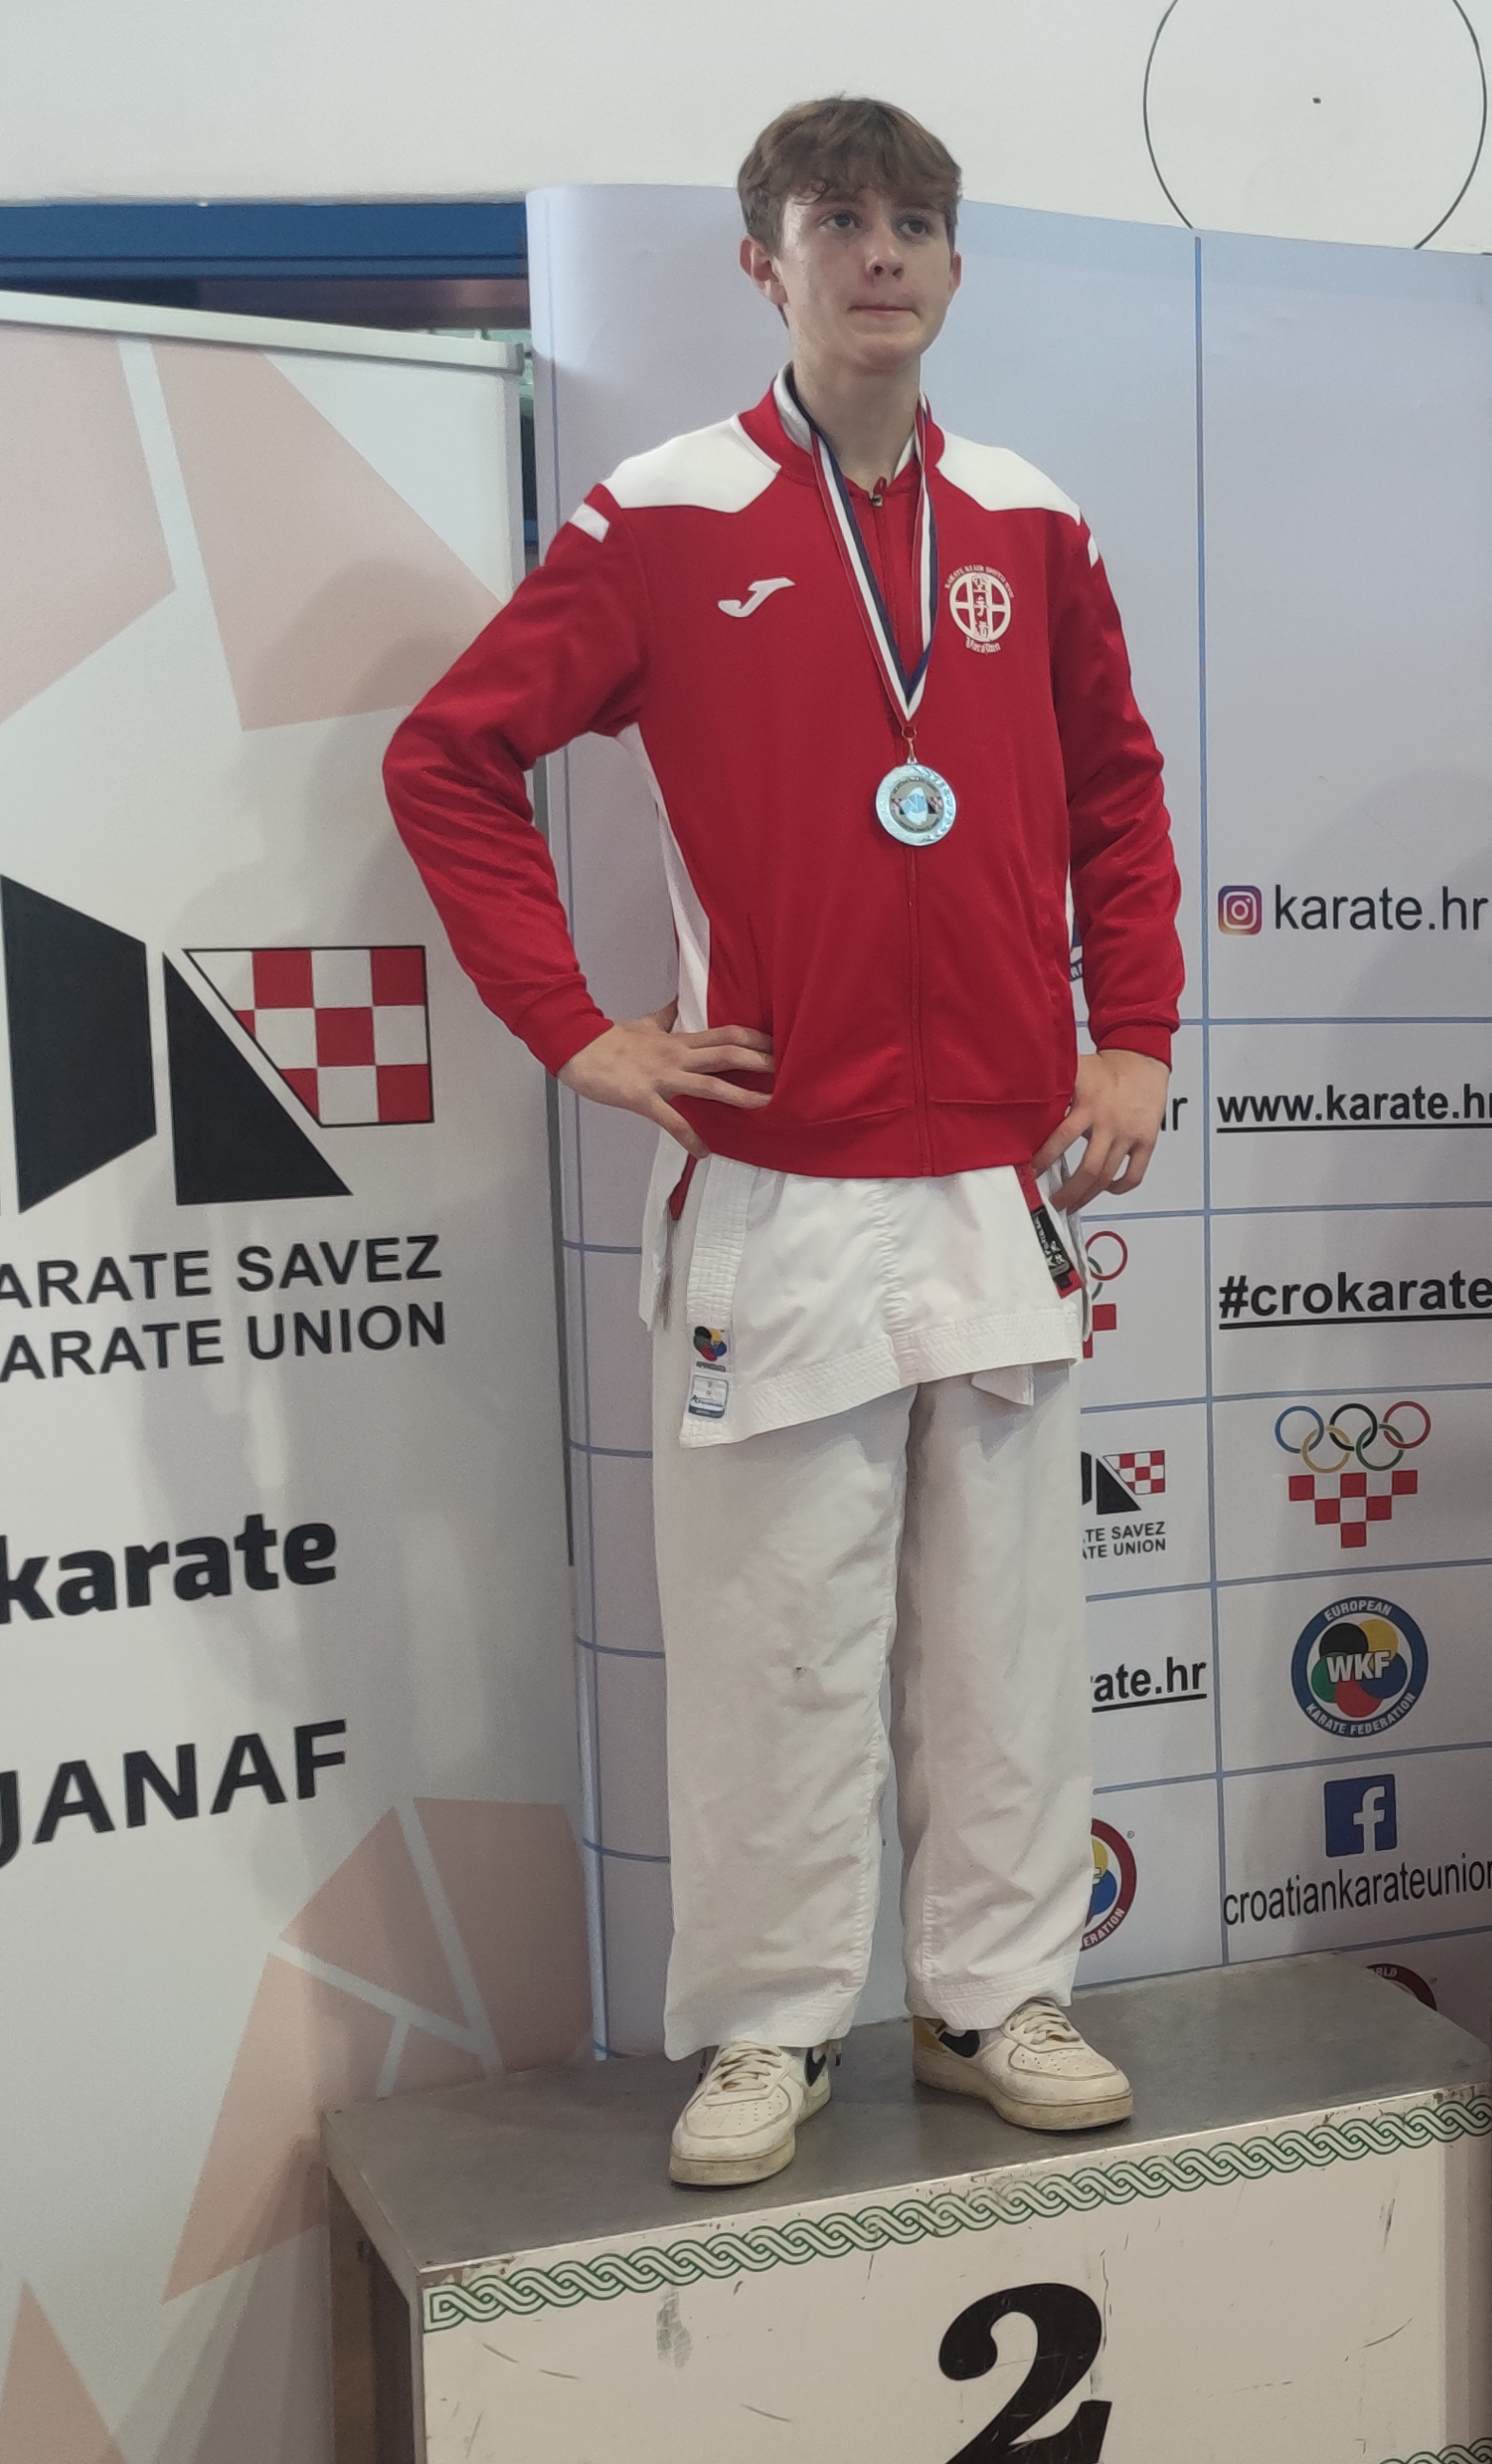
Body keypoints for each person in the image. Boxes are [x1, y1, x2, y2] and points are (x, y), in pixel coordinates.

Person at [388, 97, 1179, 2189]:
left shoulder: (1030, 521)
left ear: (954, 262)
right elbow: (450, 759)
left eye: (914, 221)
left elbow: (1117, 794)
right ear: (767, 262)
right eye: (840, 222)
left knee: (1006, 1641)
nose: (881, 254)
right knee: (775, 1644)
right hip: (776, 1176)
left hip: (997, 1174)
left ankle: (1000, 1995)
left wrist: (1136, 1037)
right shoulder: (658, 514)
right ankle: (769, 2027)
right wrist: (575, 1029)